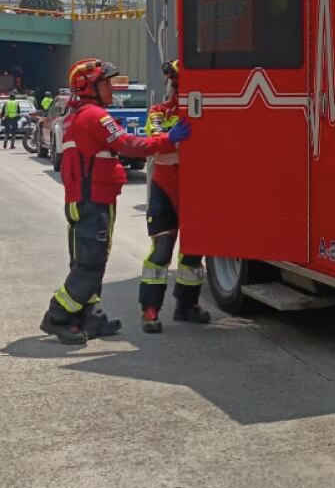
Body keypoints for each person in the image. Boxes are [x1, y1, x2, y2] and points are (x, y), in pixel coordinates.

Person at [39, 58, 190, 346]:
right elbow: (129, 145)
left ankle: (91, 316)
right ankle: (58, 315)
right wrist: (168, 139)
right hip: (91, 200)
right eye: (106, 83)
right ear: (90, 87)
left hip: (91, 198)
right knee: (90, 262)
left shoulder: (80, 115)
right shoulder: (94, 116)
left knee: (92, 259)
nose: (112, 89)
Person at [139, 60, 210, 332]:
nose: (176, 86)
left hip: (197, 187)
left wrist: (174, 141)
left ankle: (186, 305)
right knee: (162, 251)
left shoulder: (204, 109)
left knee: (194, 251)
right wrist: (173, 138)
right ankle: (149, 310)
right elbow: (155, 144)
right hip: (165, 187)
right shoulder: (158, 111)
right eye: (175, 81)